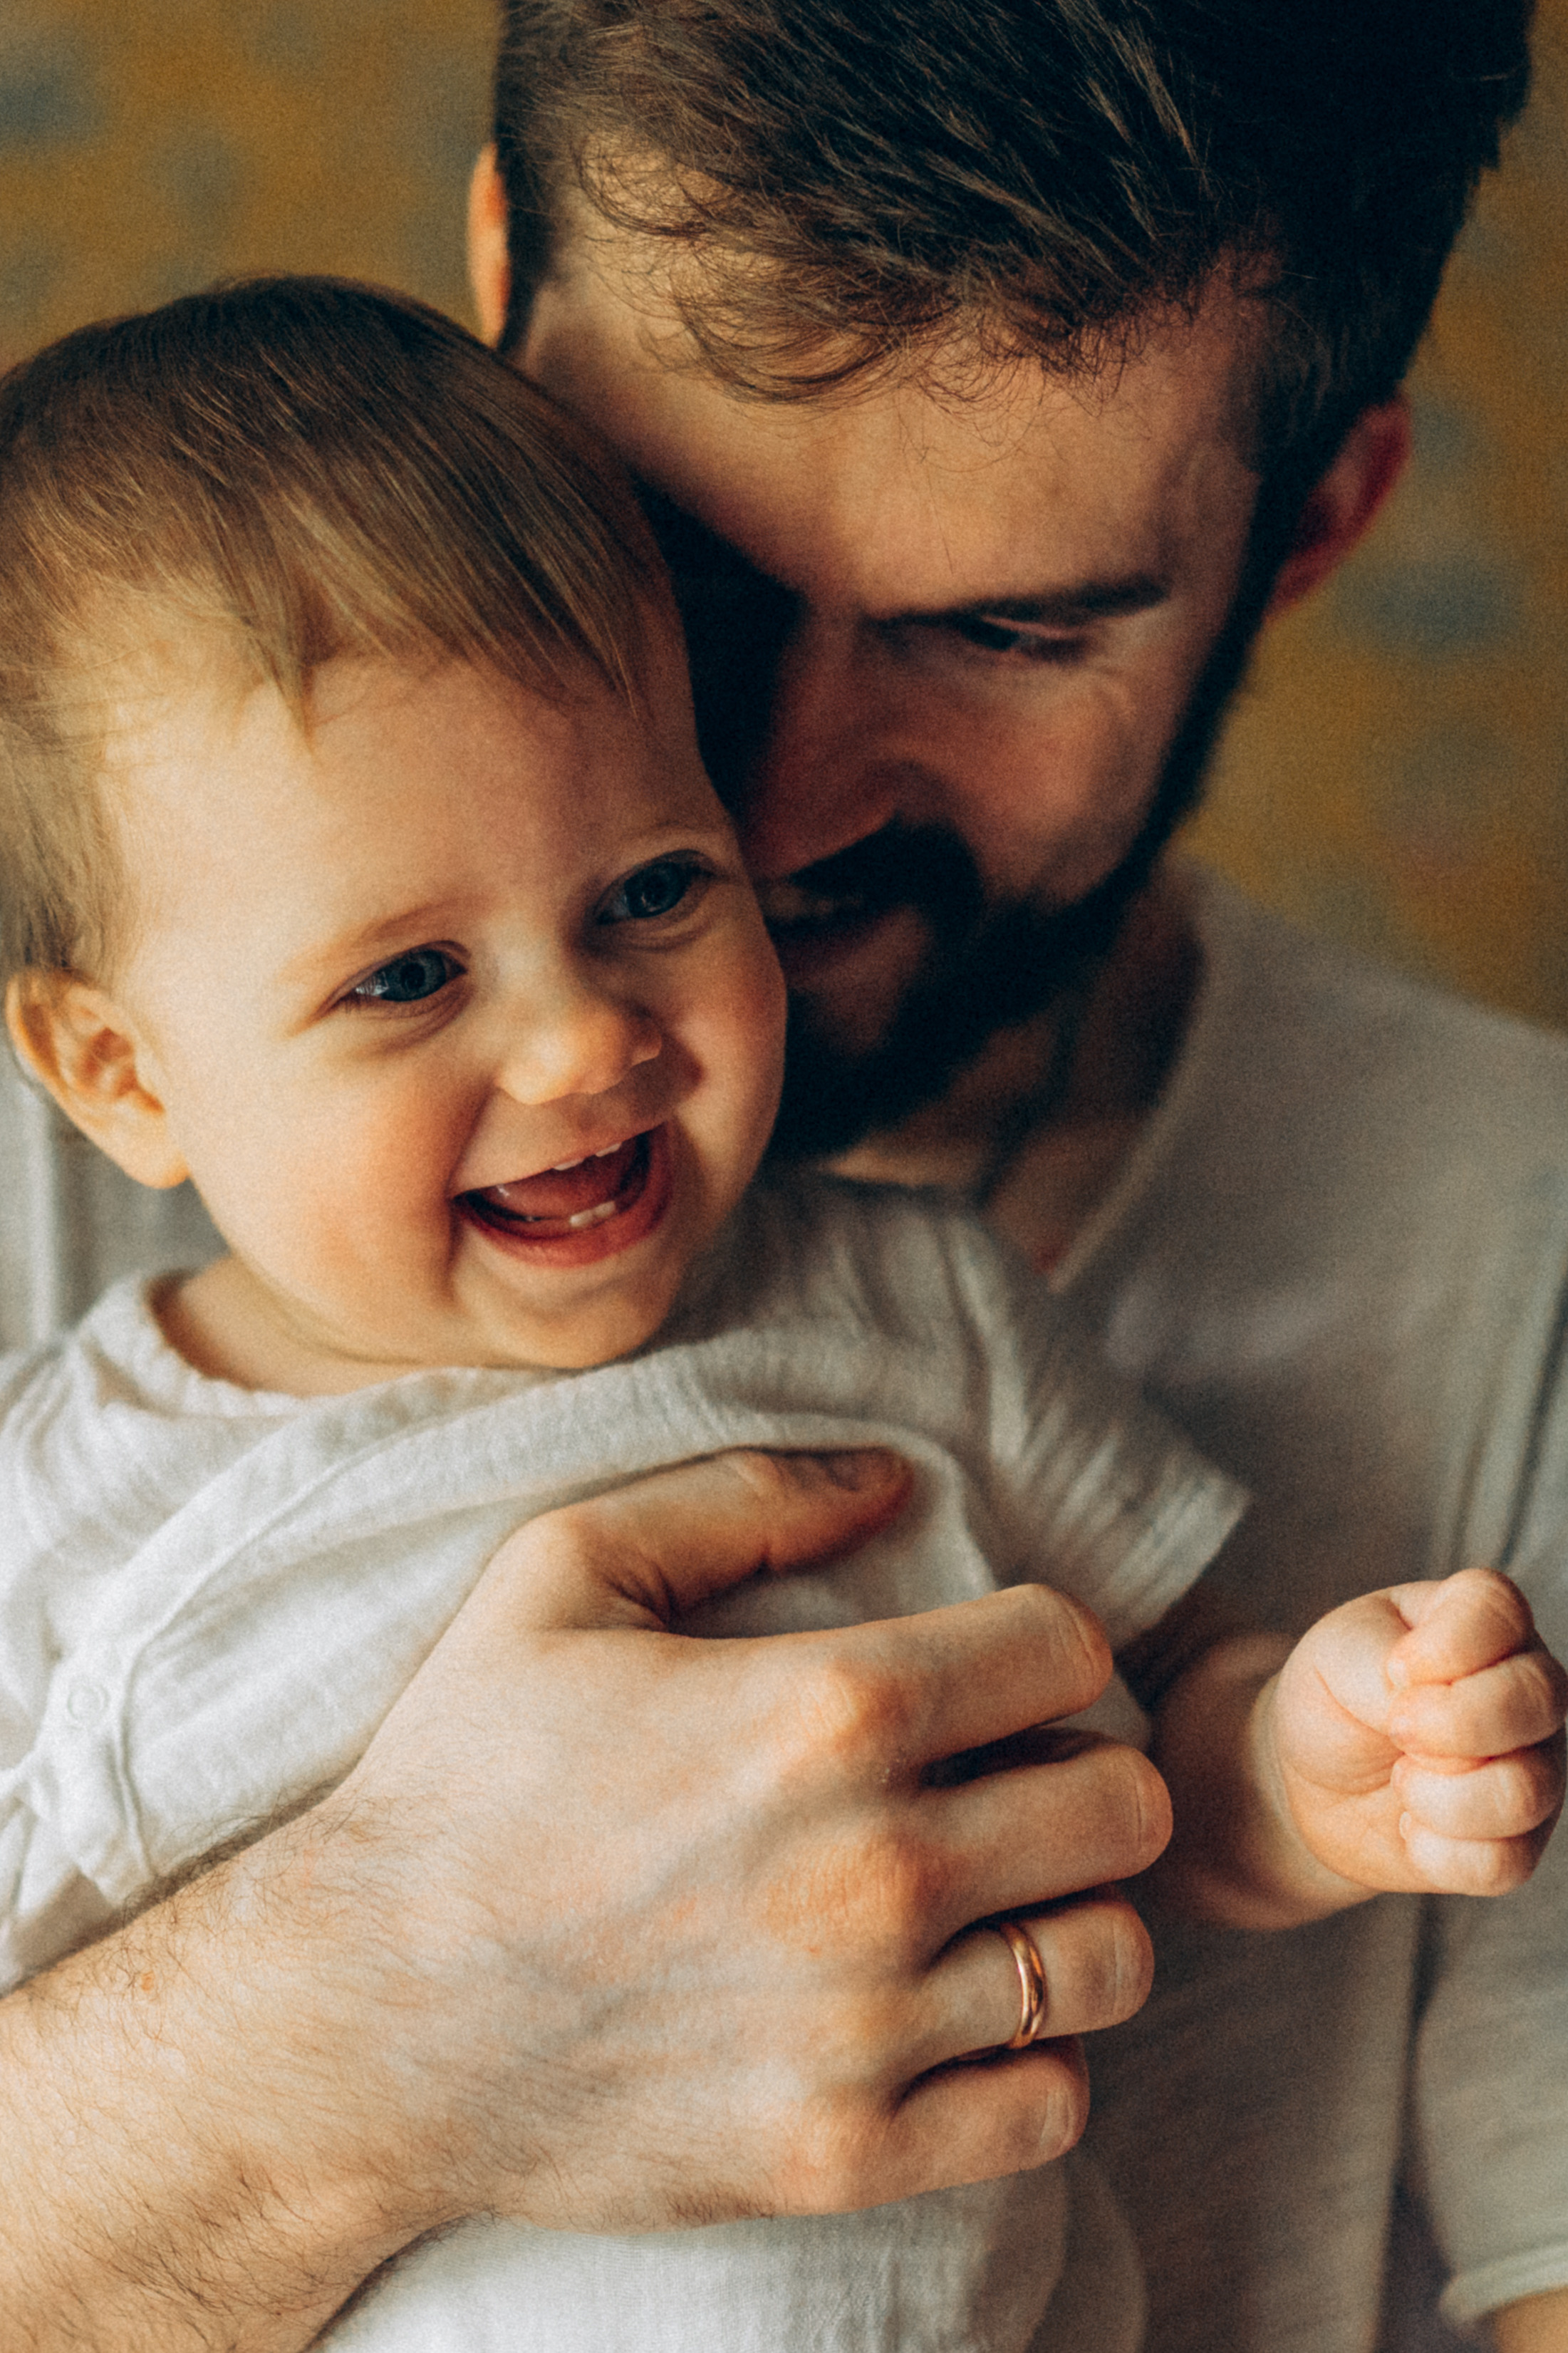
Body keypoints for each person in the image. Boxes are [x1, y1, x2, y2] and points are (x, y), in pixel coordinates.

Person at [0, 4, 1562, 2350]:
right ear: (508, 260)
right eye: (699, 580)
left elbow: (1202, 1758)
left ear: (1315, 514)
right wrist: (356, 2031)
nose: (781, 799)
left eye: (1011, 629)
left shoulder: (1495, 1249)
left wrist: (1310, 1761)